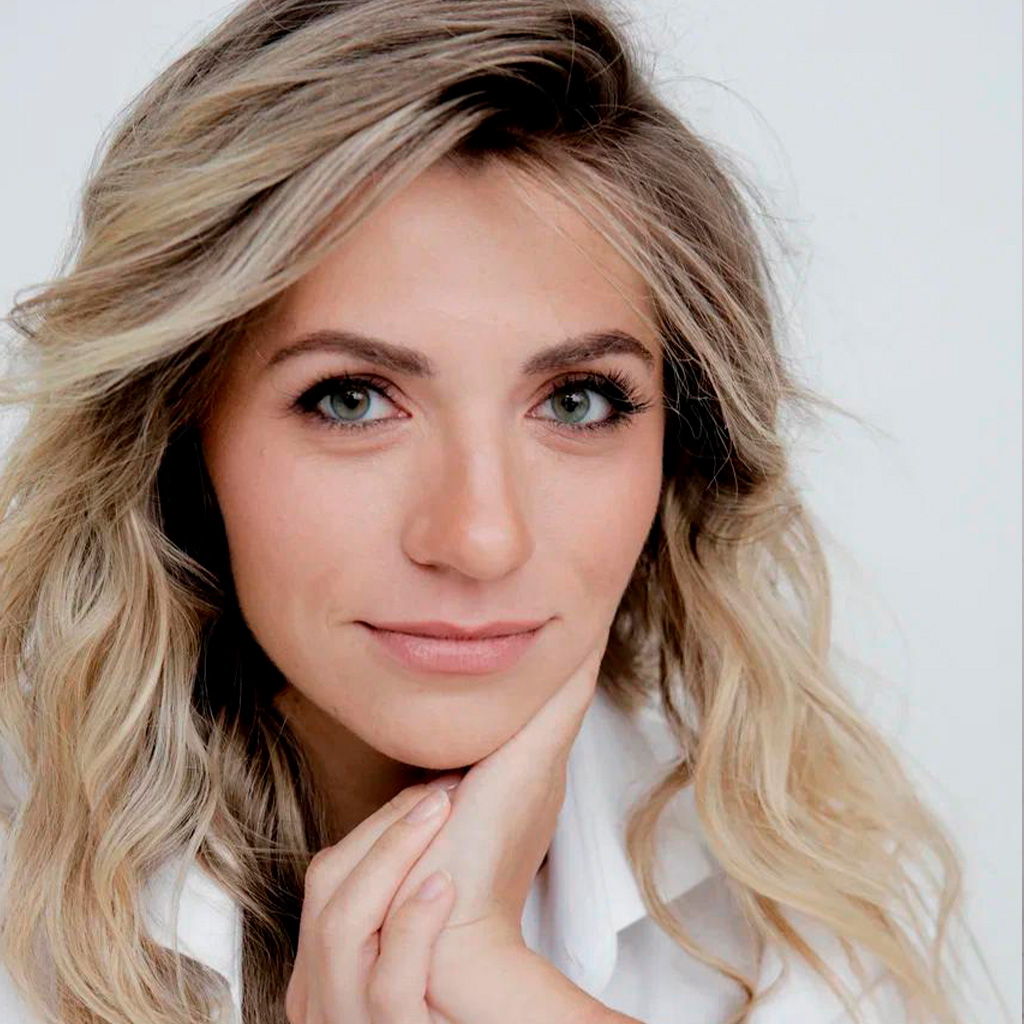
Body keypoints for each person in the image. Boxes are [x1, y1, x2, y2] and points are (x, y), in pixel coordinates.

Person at [0, 1, 985, 1022]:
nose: (479, 538)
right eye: (352, 399)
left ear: (679, 448)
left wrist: (491, 977)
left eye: (577, 401)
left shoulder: (787, 912)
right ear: (176, 431)